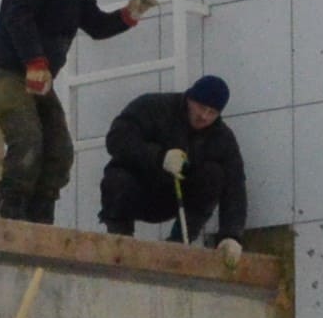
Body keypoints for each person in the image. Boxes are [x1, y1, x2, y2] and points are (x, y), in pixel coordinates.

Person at [0, 0, 148, 222]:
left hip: (38, 76)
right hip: (8, 70)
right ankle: (11, 212)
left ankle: (41, 216)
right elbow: (17, 15)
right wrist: (35, 61)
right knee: (28, 139)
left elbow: (96, 25)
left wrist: (128, 16)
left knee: (59, 150)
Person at [99, 77, 247, 252]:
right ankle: (120, 241)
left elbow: (234, 186)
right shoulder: (153, 107)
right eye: (201, 107)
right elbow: (117, 139)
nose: (204, 116)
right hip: (135, 188)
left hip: (174, 199)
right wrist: (159, 157)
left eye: (212, 112)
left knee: (213, 175)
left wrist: (231, 235)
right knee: (116, 179)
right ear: (190, 99)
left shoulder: (222, 138)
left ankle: (179, 243)